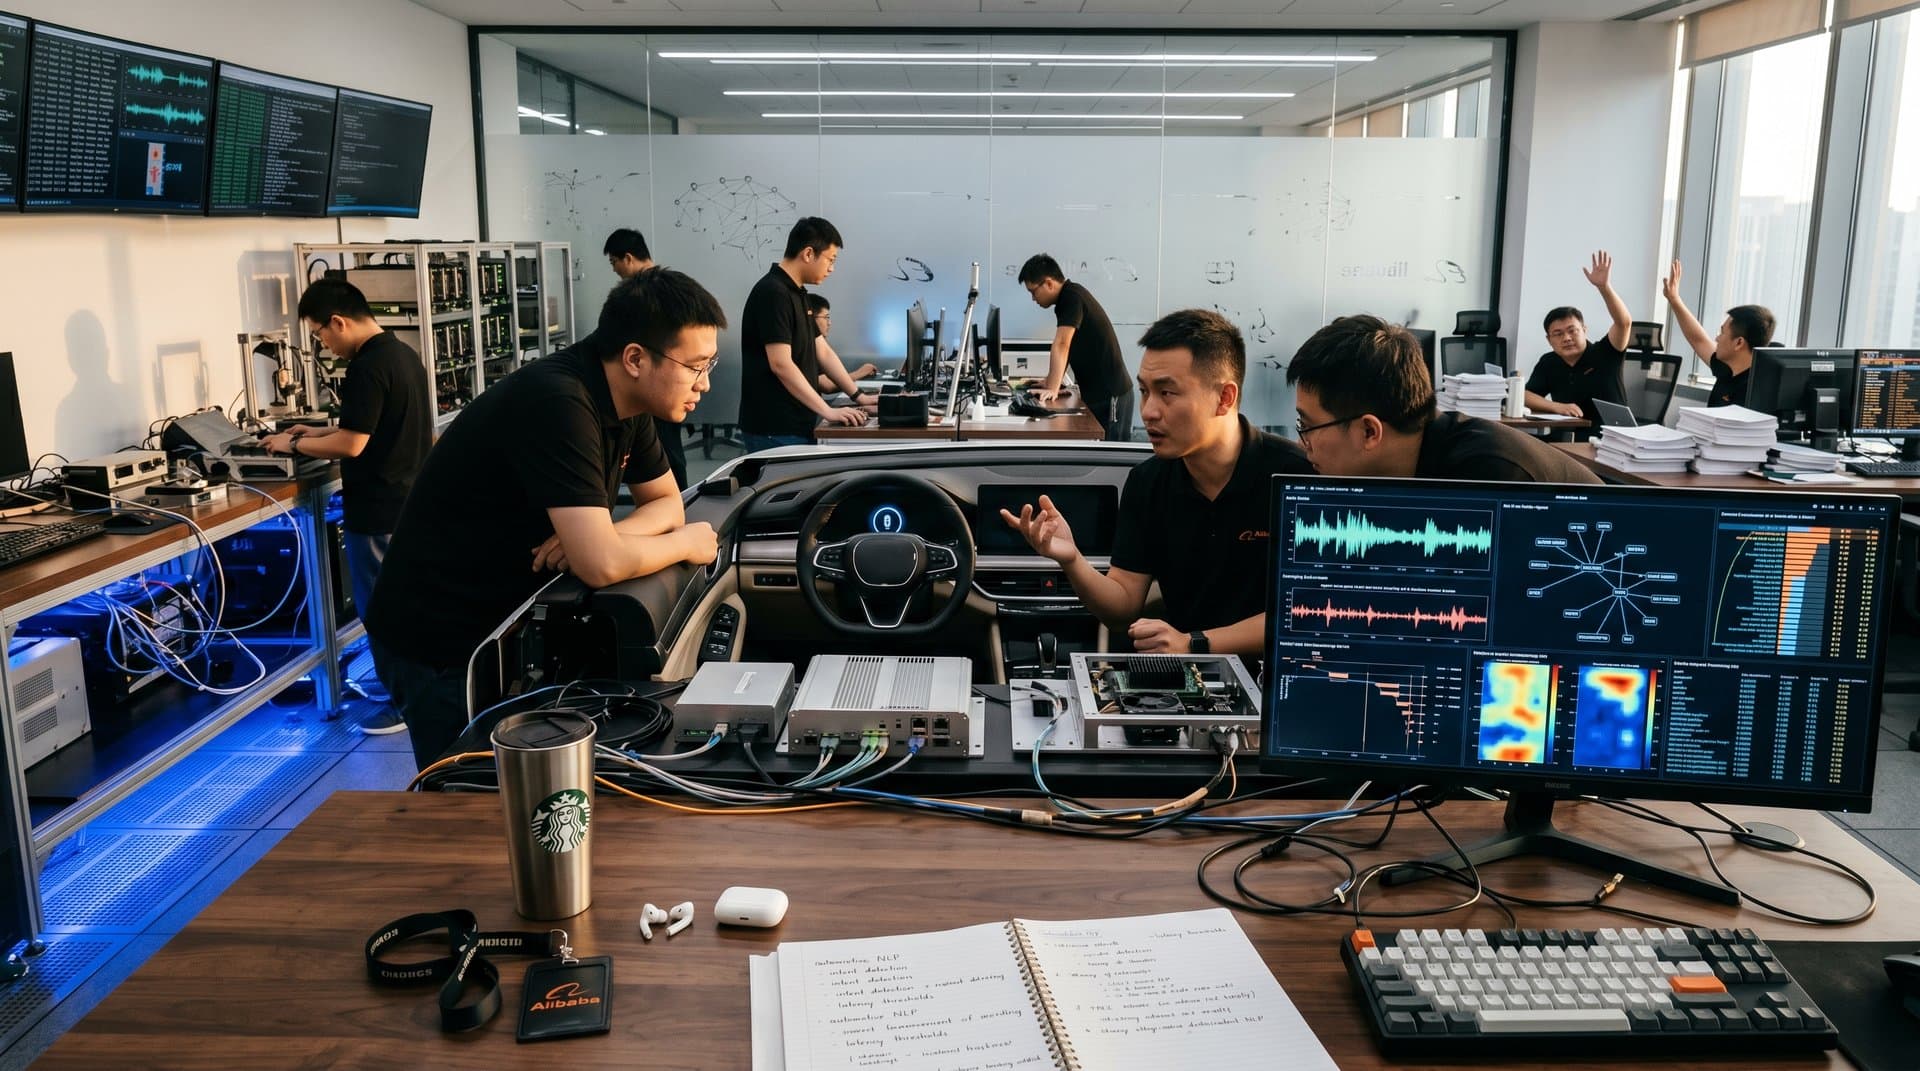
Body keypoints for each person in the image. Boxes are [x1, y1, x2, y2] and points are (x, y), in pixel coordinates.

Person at [364, 268, 725, 768]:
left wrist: (607, 536)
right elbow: (603, 564)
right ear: (636, 358)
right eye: (696, 367)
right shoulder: (559, 401)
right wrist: (686, 543)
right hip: (440, 636)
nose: (705, 384)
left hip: (503, 624)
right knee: (467, 796)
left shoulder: (631, 402)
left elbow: (665, 502)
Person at [1000, 309, 1312, 657]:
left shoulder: (1298, 479)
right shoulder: (1148, 482)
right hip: (1189, 682)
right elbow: (1122, 608)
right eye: (1145, 391)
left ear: (1224, 398)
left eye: (1167, 393)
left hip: (1279, 683)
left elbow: (1312, 615)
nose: (1147, 411)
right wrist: (1072, 559)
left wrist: (1194, 643)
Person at [264, 278, 430, 735]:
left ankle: (403, 704)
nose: (323, 344)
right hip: (405, 505)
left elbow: (354, 443)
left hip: (377, 513)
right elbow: (368, 429)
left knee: (382, 612)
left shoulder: (366, 368)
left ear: (338, 322)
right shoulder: (401, 354)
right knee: (403, 608)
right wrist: (308, 433)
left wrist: (292, 446)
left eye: (320, 334)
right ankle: (409, 692)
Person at [1287, 314, 1601, 484]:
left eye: (1307, 426)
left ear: (1370, 431)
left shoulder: (1487, 480)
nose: (1303, 444)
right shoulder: (1407, 459)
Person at [737, 217, 874, 451]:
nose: (832, 268)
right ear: (809, 254)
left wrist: (859, 396)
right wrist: (827, 410)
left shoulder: (797, 293)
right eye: (830, 260)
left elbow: (823, 352)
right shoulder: (773, 293)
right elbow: (781, 364)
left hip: (796, 424)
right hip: (775, 429)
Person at [596, 228, 688, 489]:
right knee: (664, 449)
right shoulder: (671, 285)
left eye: (614, 262)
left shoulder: (645, 294)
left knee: (665, 451)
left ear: (628, 258)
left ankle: (677, 503)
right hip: (658, 383)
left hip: (656, 384)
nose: (614, 270)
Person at [1018, 254, 1133, 442]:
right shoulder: (1067, 299)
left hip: (1112, 394)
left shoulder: (1072, 297)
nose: (1033, 299)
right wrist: (1050, 381)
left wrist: (1053, 388)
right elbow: (1068, 346)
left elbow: (1062, 344)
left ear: (1048, 283)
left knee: (1112, 456)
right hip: (1100, 393)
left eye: (1033, 292)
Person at [1523, 251, 1634, 427]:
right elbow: (1526, 395)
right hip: (1568, 434)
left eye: (1572, 331)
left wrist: (1604, 287)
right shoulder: (1549, 361)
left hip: (1611, 436)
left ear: (1584, 330)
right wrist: (1556, 407)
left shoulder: (1605, 352)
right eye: (1558, 334)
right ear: (1549, 339)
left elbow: (1624, 323)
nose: (1566, 338)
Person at [1660, 259, 1774, 408]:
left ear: (1739, 342)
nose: (1717, 338)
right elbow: (1699, 340)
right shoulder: (1727, 368)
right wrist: (1674, 299)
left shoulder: (1756, 390)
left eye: (1722, 332)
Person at [807, 294, 878, 392]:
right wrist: (860, 373)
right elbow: (827, 385)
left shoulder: (816, 345)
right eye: (826, 317)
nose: (829, 323)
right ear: (811, 319)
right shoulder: (806, 347)